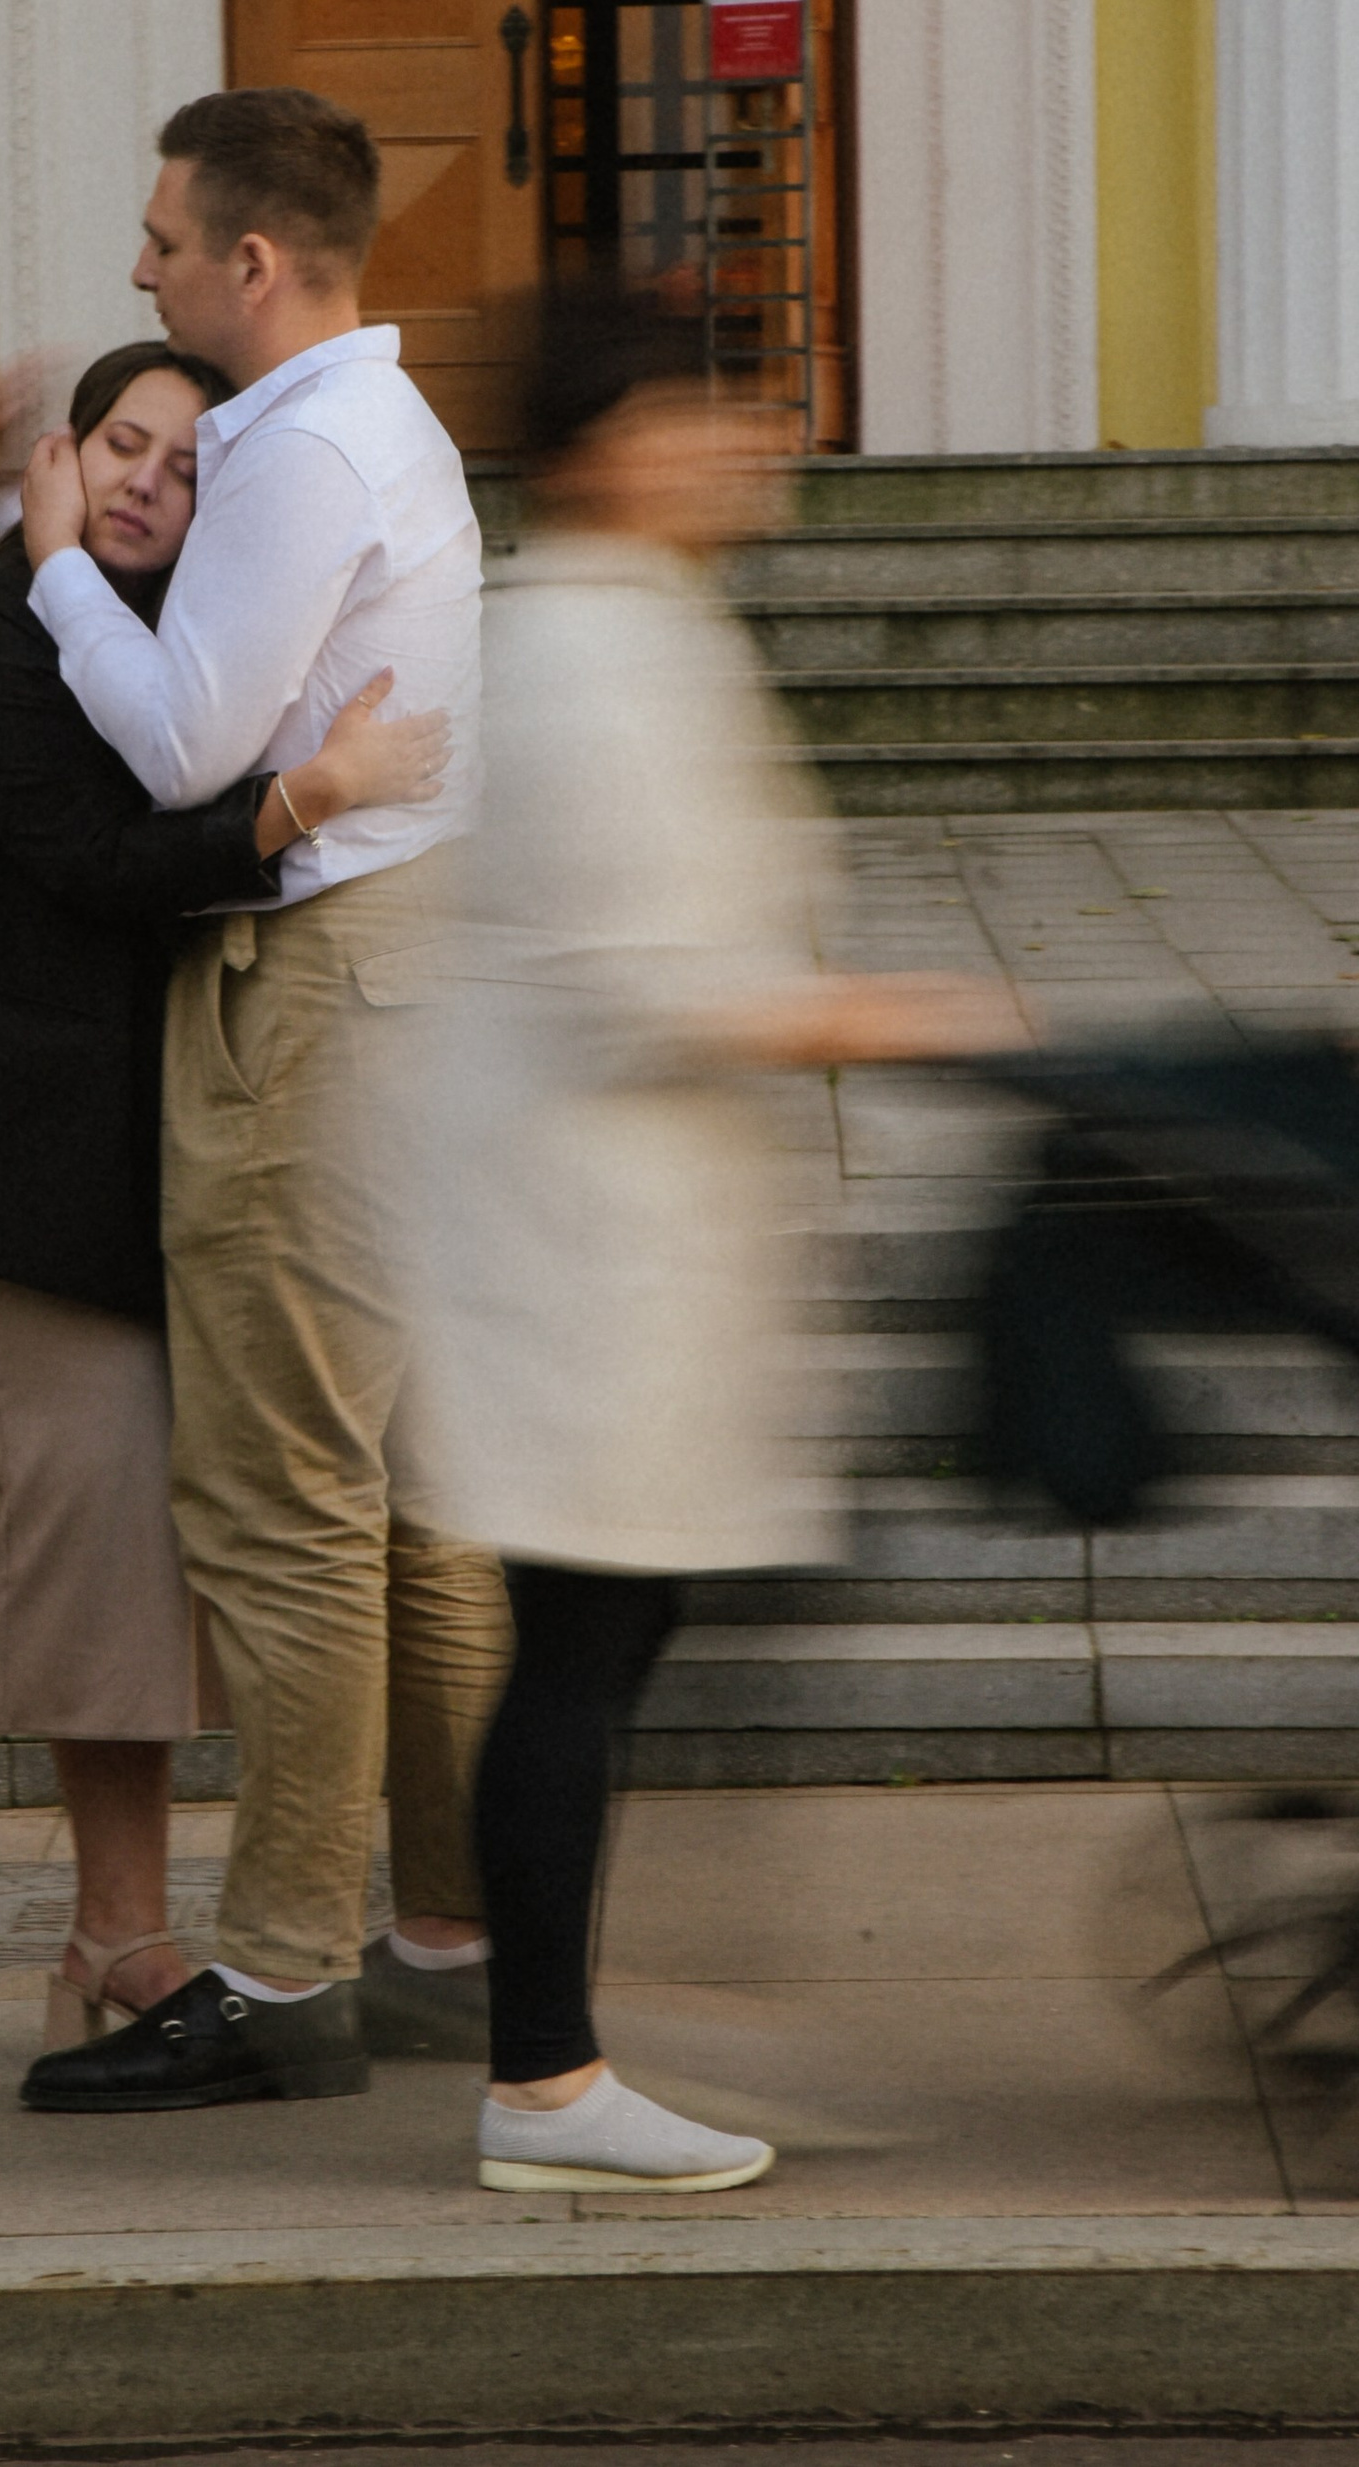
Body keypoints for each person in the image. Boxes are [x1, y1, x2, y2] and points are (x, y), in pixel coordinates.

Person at [382, 283, 1019, 2197]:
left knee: (620, 1626)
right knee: (584, 1640)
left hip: (632, 1234)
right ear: (611, 446)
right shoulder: (582, 654)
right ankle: (548, 2084)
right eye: (710, 410)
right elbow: (650, 981)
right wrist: (917, 1016)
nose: (753, 440)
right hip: (588, 1248)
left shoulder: (636, 628)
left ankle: (570, 2052)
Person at [0, 337, 449, 2076]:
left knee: (122, 1565)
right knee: (36, 1552)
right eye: (123, 449)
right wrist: (309, 803)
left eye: (190, 470)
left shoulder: (166, 660)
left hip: (135, 1171)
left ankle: (122, 1938)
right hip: (3, 1181)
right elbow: (92, 860)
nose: (153, 483)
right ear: (64, 464)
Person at [15, 90, 513, 2118]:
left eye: (156, 238)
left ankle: (289, 1970)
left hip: (311, 990)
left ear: (249, 261)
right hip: (407, 964)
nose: (132, 269)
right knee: (404, 1501)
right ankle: (458, 1943)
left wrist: (56, 565)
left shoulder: (303, 445)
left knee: (284, 1500)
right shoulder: (362, 427)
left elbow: (179, 748)